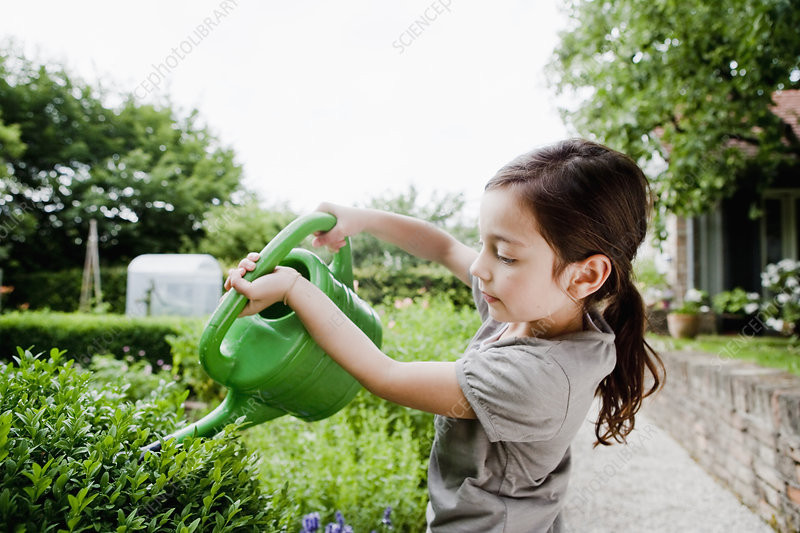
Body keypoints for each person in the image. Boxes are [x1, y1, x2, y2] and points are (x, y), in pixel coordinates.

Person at [224, 139, 665, 532]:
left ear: (586, 274)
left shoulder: (539, 378)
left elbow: (386, 376)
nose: (479, 267)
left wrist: (294, 289)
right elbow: (444, 247)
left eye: (505, 255)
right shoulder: (527, 306)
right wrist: (362, 219)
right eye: (485, 244)